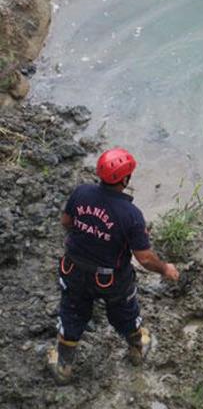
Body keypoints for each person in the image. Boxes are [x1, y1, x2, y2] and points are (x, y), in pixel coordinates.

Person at [46, 148, 180, 383]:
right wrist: (165, 268)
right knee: (124, 313)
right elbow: (145, 259)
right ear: (126, 179)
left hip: (73, 269)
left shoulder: (81, 193)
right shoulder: (131, 215)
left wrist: (90, 235)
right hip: (110, 280)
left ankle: (64, 366)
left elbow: (66, 222)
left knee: (72, 314)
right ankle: (138, 348)